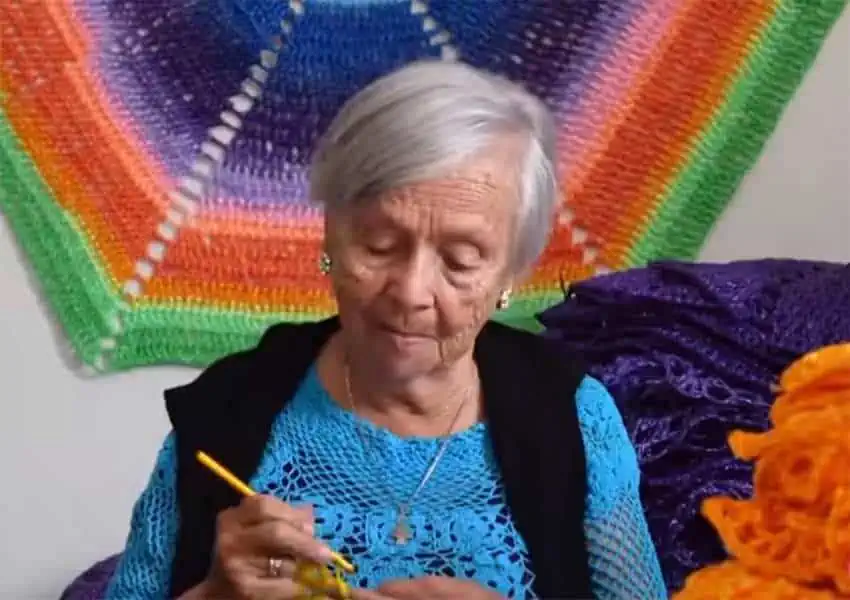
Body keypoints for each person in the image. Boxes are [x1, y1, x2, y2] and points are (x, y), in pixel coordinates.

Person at [105, 59, 667, 600]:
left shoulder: (572, 417)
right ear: (330, 235)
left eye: (461, 259)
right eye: (379, 244)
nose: (410, 292)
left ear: (510, 274)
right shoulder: (227, 411)